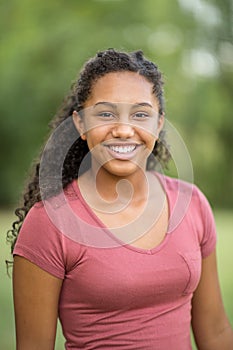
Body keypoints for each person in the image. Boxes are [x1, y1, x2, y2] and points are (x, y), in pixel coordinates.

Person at [8, 49, 233, 350]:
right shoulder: (50, 222)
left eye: (140, 114)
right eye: (105, 113)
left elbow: (216, 333)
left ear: (159, 124)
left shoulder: (191, 204)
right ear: (80, 124)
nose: (124, 130)